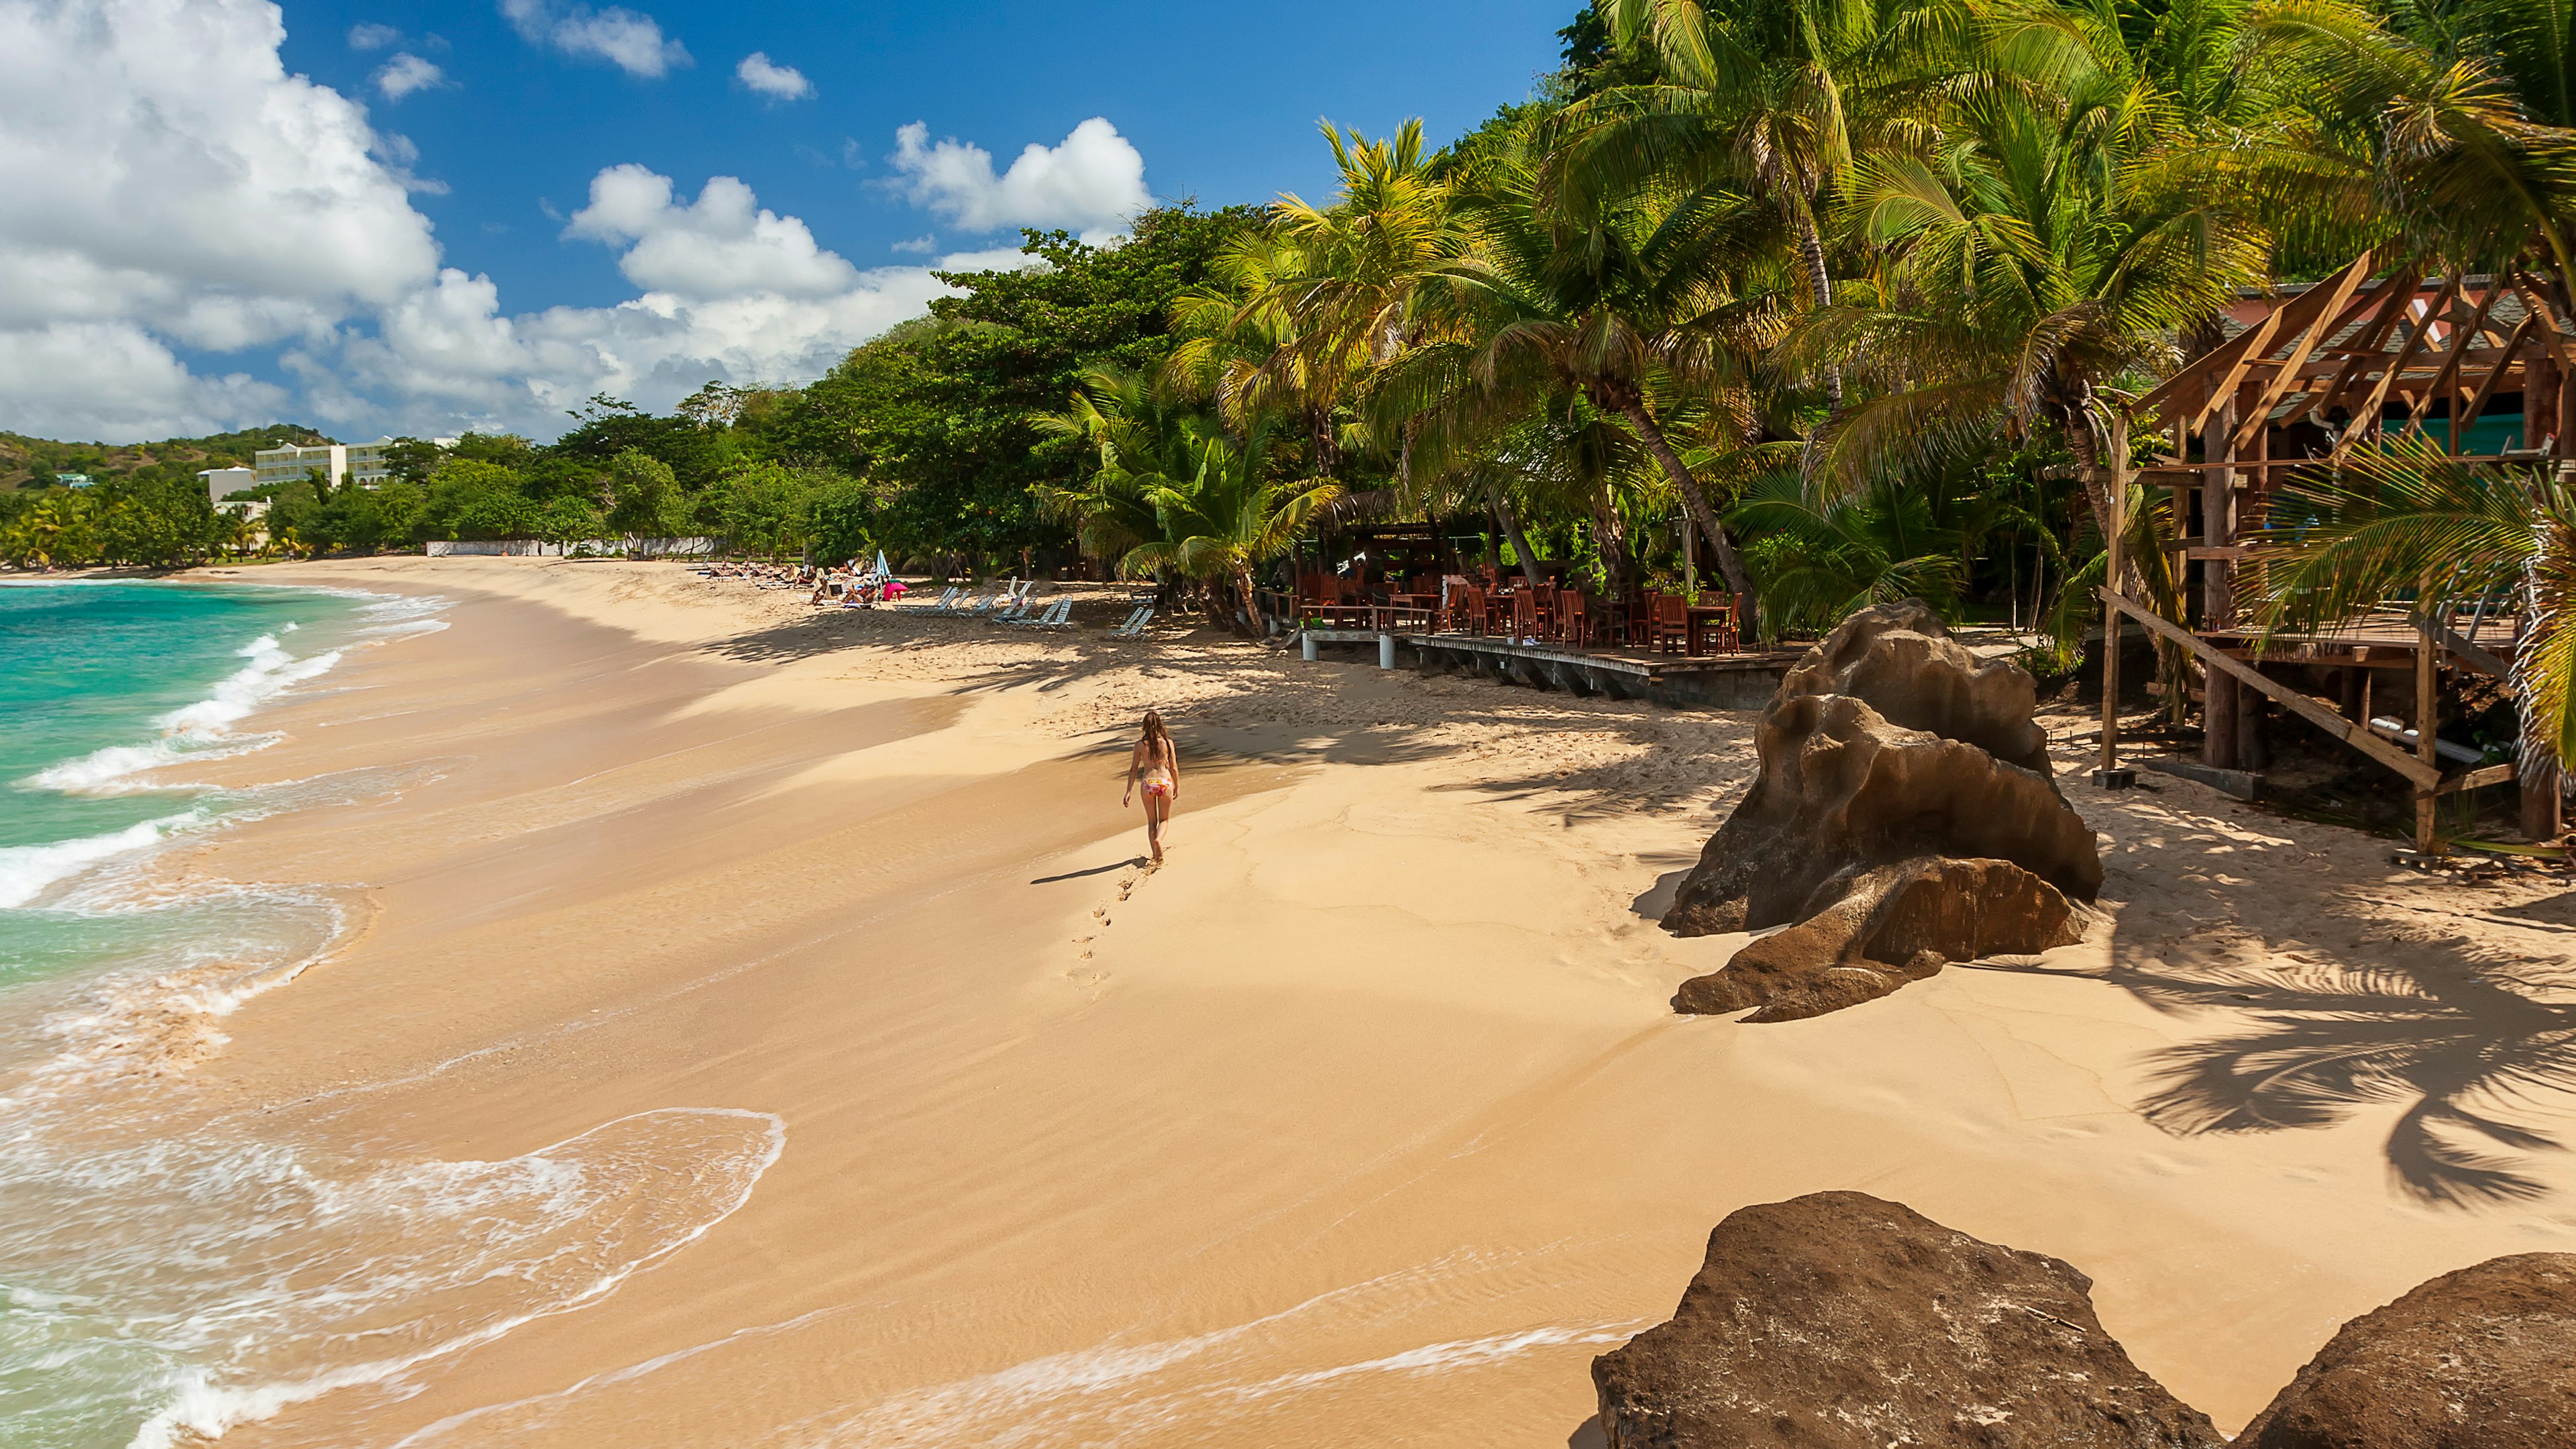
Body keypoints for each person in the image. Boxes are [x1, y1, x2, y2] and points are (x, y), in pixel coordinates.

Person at [1122, 710, 1180, 865]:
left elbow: (1133, 769)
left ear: (1145, 727)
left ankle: (1156, 855)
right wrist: (1176, 786)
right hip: (1164, 782)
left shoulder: (1140, 745)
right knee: (1165, 819)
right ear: (1160, 725)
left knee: (1152, 821)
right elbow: (1174, 767)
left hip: (1148, 783)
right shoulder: (1168, 743)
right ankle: (1159, 840)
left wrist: (1128, 791)